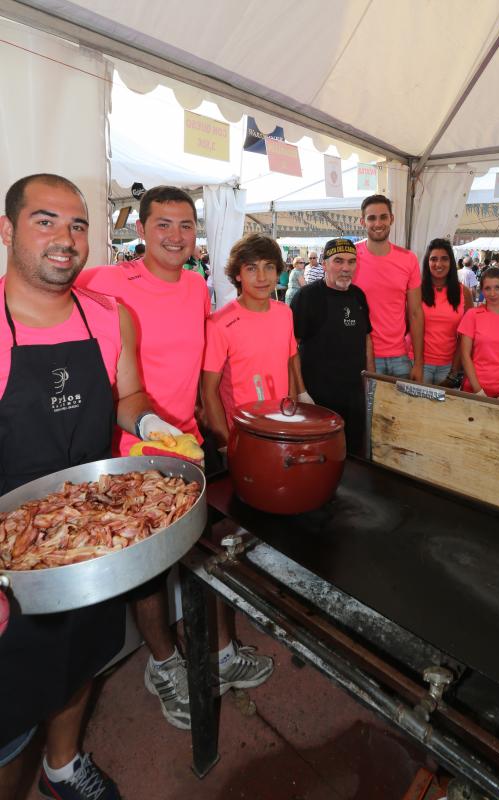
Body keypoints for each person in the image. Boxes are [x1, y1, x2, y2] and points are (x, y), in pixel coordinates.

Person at [0, 173, 178, 800]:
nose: (65, 238)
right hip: (10, 558)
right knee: (6, 710)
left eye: (78, 225)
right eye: (44, 220)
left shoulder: (109, 317)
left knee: (80, 664)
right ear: (7, 230)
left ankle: (63, 765)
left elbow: (126, 394)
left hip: (95, 535)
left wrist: (150, 421)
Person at [76, 186, 273, 729]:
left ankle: (223, 652)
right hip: (132, 452)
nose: (175, 235)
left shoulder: (196, 288)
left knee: (214, 551)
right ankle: (164, 662)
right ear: (139, 230)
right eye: (162, 224)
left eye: (186, 225)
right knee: (148, 575)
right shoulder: (104, 281)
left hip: (188, 444)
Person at [203, 233, 301, 440]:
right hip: (242, 434)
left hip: (282, 427)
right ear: (237, 274)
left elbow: (289, 363)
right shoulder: (219, 323)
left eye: (269, 267)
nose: (262, 277)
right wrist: (225, 442)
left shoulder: (285, 313)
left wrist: (292, 410)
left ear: (277, 272)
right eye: (251, 268)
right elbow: (208, 391)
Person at [290, 238, 374, 454]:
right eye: (338, 261)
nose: (346, 268)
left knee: (354, 455)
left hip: (354, 396)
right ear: (324, 264)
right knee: (319, 459)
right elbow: (291, 348)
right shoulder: (306, 297)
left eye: (351, 262)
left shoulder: (358, 296)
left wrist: (371, 382)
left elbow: (366, 339)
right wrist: (301, 392)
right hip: (319, 399)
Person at [353, 194, 423, 381]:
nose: (378, 223)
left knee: (400, 411)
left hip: (400, 356)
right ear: (362, 222)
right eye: (371, 218)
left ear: (391, 218)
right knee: (364, 411)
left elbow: (415, 312)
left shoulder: (408, 259)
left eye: (383, 217)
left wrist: (418, 362)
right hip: (362, 355)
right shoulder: (350, 257)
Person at [457, 267, 499, 400]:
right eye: (487, 288)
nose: (492, 293)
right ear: (482, 290)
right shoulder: (472, 315)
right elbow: (465, 355)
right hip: (473, 390)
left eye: (497, 287)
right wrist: (478, 391)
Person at [420, 238, 472, 386]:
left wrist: (454, 371)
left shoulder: (464, 292)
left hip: (448, 366)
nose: (438, 264)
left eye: (444, 259)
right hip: (418, 363)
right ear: (427, 262)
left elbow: (466, 336)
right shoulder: (416, 290)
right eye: (433, 259)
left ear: (451, 262)